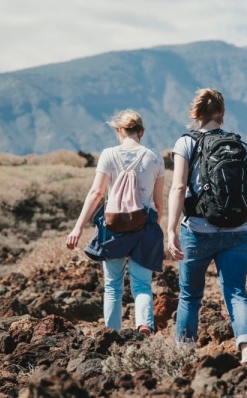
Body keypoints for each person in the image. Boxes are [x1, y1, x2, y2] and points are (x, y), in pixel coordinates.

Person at [167, 88, 247, 366]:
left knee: (190, 297)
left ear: (196, 114)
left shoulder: (186, 143)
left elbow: (179, 187)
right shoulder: (241, 146)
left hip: (197, 231)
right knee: (236, 292)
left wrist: (170, 229)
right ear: (222, 113)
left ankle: (184, 357)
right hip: (238, 231)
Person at [66, 110, 165, 336]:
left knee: (112, 286)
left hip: (114, 227)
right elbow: (159, 203)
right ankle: (144, 326)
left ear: (119, 131)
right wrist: (153, 228)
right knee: (141, 285)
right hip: (145, 225)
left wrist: (78, 227)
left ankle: (111, 334)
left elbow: (96, 193)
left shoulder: (109, 154)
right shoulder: (155, 157)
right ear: (141, 131)